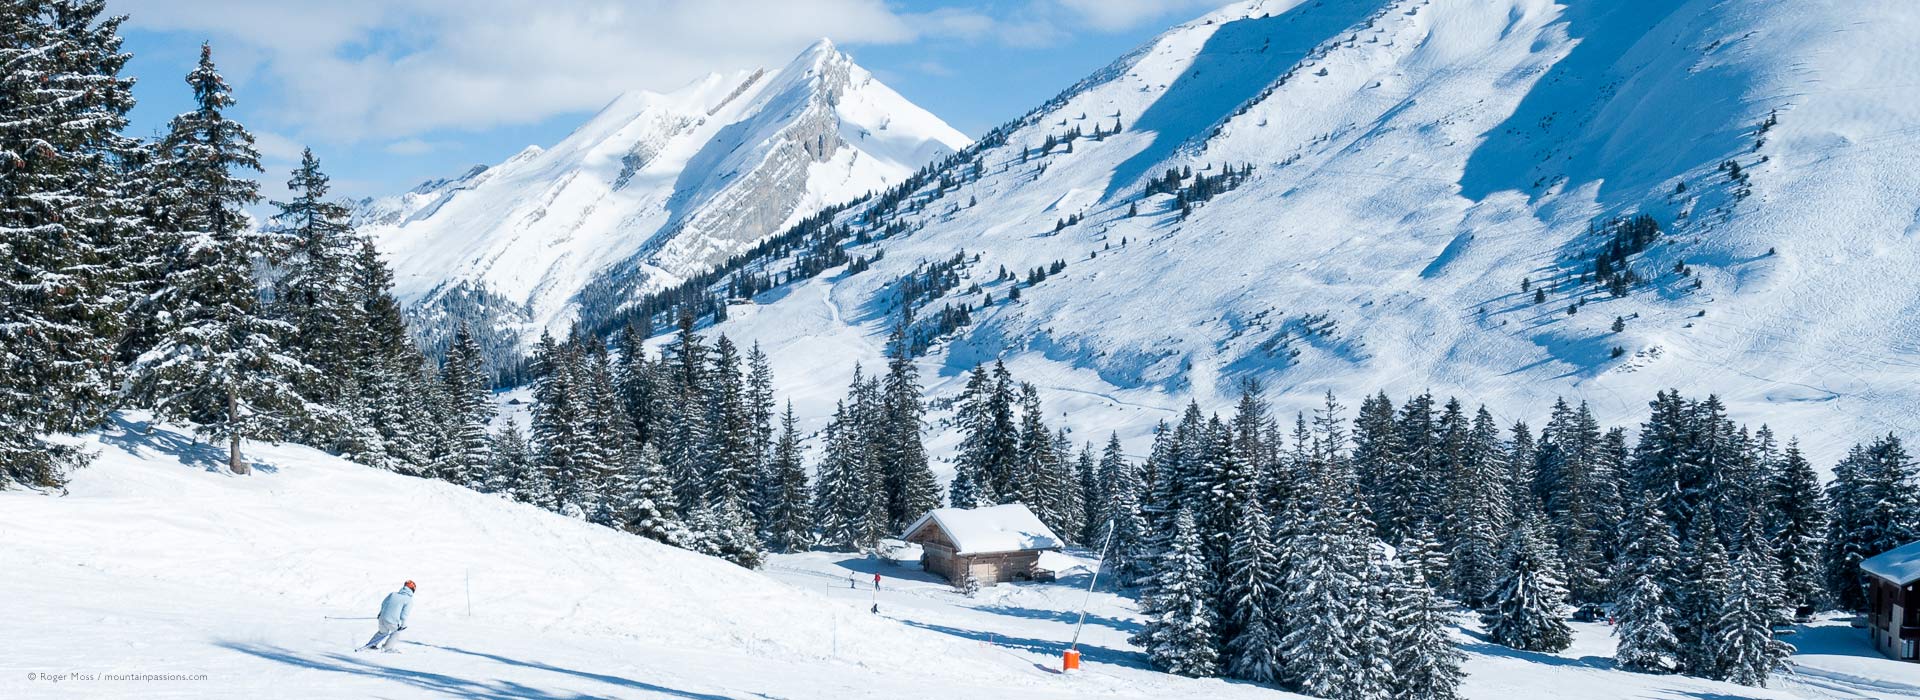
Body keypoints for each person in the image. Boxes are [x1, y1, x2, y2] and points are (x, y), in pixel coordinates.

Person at [360, 580, 415, 652]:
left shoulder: (393, 594)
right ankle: (387, 648)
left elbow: (383, 604)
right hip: (392, 620)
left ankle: (370, 645)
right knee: (396, 633)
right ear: (412, 589)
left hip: (382, 618)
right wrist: (403, 625)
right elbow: (404, 615)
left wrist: (380, 614)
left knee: (382, 632)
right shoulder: (408, 600)